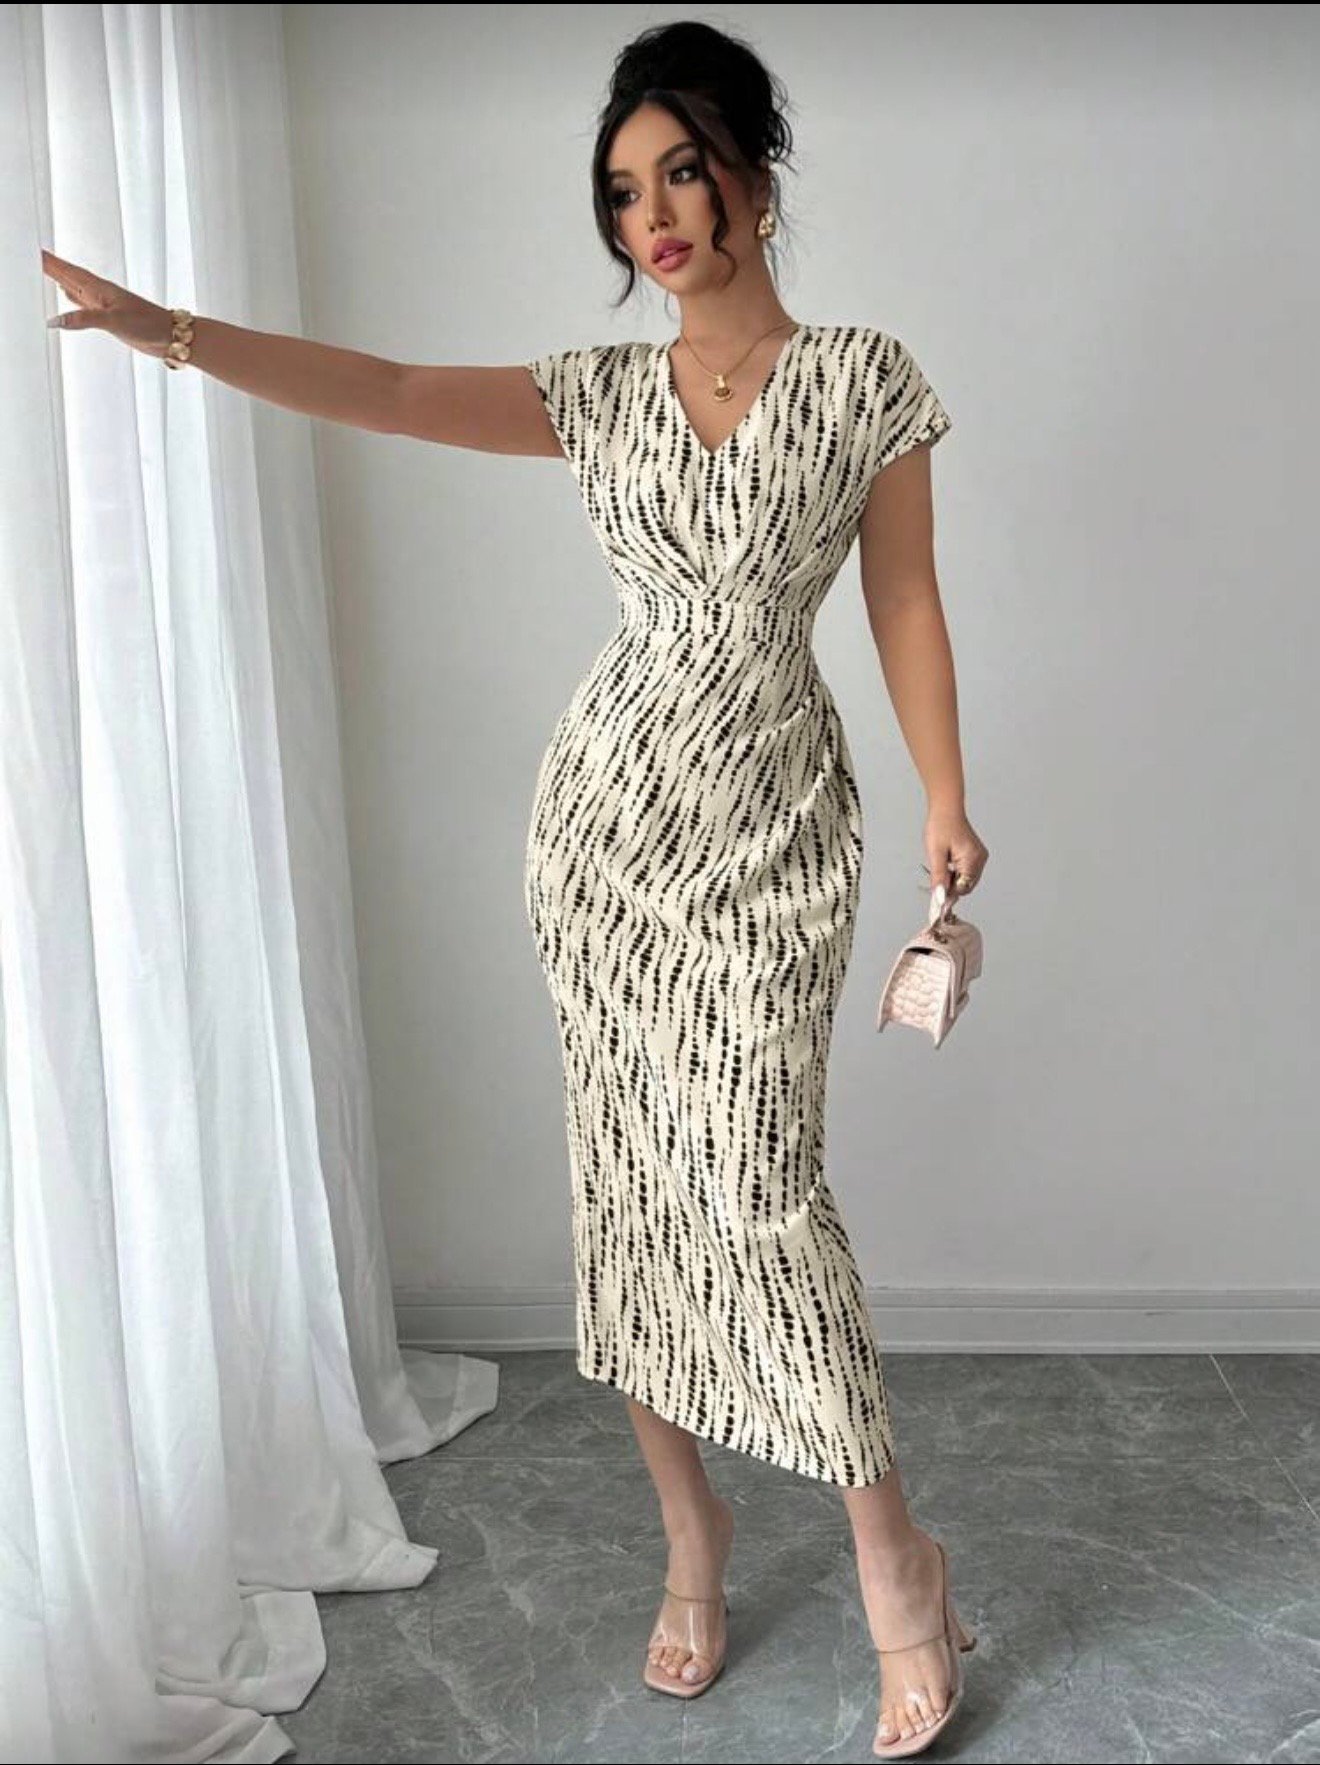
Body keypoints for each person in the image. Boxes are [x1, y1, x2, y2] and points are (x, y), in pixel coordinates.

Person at [41, 20, 989, 1757]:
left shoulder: (865, 374)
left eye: (683, 173)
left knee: (761, 1185)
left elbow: (904, 597)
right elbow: (395, 390)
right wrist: (171, 331)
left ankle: (895, 1557)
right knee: (627, 1188)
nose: (656, 216)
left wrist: (944, 791)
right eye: (624, 193)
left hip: (774, 825)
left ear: (754, 176)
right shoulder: (599, 393)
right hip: (607, 831)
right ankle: (690, 1533)